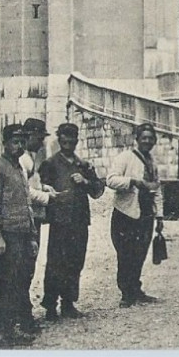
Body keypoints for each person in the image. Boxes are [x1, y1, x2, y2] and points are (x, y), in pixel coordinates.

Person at [0, 122, 55, 348]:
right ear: (5, 143)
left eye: (22, 141)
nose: (19, 146)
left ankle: (11, 330)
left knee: (16, 286)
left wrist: (32, 237)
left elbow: (26, 204)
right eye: (15, 141)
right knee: (2, 286)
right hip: (5, 236)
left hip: (22, 235)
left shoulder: (19, 168)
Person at [38, 123, 105, 319]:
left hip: (80, 220)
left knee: (76, 261)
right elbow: (39, 188)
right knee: (56, 263)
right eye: (64, 138)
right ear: (59, 139)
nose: (68, 142)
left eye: (72, 138)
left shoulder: (83, 165)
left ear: (77, 140)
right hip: (60, 221)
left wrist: (85, 182)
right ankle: (50, 305)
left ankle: (68, 303)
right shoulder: (50, 163)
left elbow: (98, 190)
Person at [106, 122, 164, 308]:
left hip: (145, 214)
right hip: (126, 213)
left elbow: (157, 189)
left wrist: (160, 216)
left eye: (150, 138)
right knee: (125, 254)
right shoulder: (125, 157)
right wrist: (133, 182)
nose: (147, 141)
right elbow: (111, 180)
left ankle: (136, 288)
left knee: (140, 253)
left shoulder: (152, 163)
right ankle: (126, 292)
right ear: (137, 139)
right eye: (144, 138)